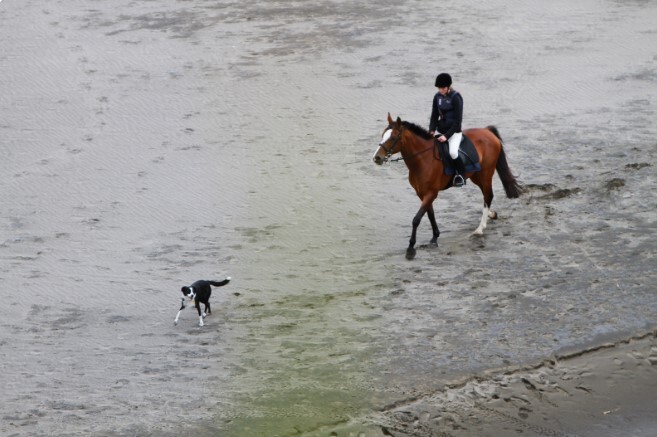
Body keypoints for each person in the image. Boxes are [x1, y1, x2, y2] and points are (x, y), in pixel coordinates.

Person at [429, 73, 465, 187]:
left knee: (452, 152)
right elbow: (434, 115)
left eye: (443, 88)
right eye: (439, 88)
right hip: (441, 130)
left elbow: (457, 121)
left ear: (448, 86)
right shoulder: (437, 97)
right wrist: (431, 130)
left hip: (454, 132)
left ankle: (460, 175)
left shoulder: (456, 98)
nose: (441, 90)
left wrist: (447, 136)